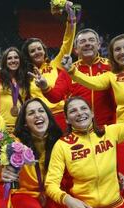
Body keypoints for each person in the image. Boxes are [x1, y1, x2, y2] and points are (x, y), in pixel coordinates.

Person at [62, 33, 124, 208]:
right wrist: (71, 70)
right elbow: (92, 83)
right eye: (117, 49)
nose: (122, 52)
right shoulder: (112, 76)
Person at [45, 96, 124, 208]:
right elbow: (50, 184)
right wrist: (68, 200)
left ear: (92, 113)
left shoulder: (110, 132)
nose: (80, 113)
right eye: (73, 111)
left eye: (83, 108)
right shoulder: (62, 145)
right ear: (66, 119)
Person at [0, 98, 83, 208]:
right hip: (26, 195)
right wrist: (5, 171)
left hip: (52, 195)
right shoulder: (15, 143)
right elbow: (2, 165)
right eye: (31, 113)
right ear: (25, 123)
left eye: (41, 111)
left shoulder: (60, 141)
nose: (37, 115)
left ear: (48, 117)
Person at [34, 28, 116, 127]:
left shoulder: (112, 66)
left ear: (98, 45)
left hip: (110, 126)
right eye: (82, 41)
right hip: (81, 128)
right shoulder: (68, 71)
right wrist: (45, 87)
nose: (87, 44)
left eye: (91, 40)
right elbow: (55, 97)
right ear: (76, 49)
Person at [22, 1, 76, 130]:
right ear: (28, 55)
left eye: (39, 49)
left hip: (61, 116)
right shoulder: (26, 73)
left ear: (44, 50)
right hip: (40, 120)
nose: (37, 52)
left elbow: (67, 42)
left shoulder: (56, 64)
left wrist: (71, 19)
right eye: (32, 51)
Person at [0, 47, 30, 131]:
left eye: (16, 57)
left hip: (21, 127)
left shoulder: (25, 79)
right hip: (2, 126)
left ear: (20, 60)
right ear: (5, 62)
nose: (13, 60)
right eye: (9, 58)